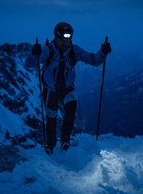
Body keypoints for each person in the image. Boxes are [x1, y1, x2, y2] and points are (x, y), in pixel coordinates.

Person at [26, 22, 111, 154]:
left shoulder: (74, 50)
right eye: (62, 38)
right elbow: (30, 64)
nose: (65, 41)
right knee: (51, 117)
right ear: (56, 37)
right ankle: (51, 144)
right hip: (51, 90)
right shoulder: (48, 50)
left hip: (66, 88)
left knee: (71, 109)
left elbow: (94, 60)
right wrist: (34, 54)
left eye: (68, 38)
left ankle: (65, 139)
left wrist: (103, 53)